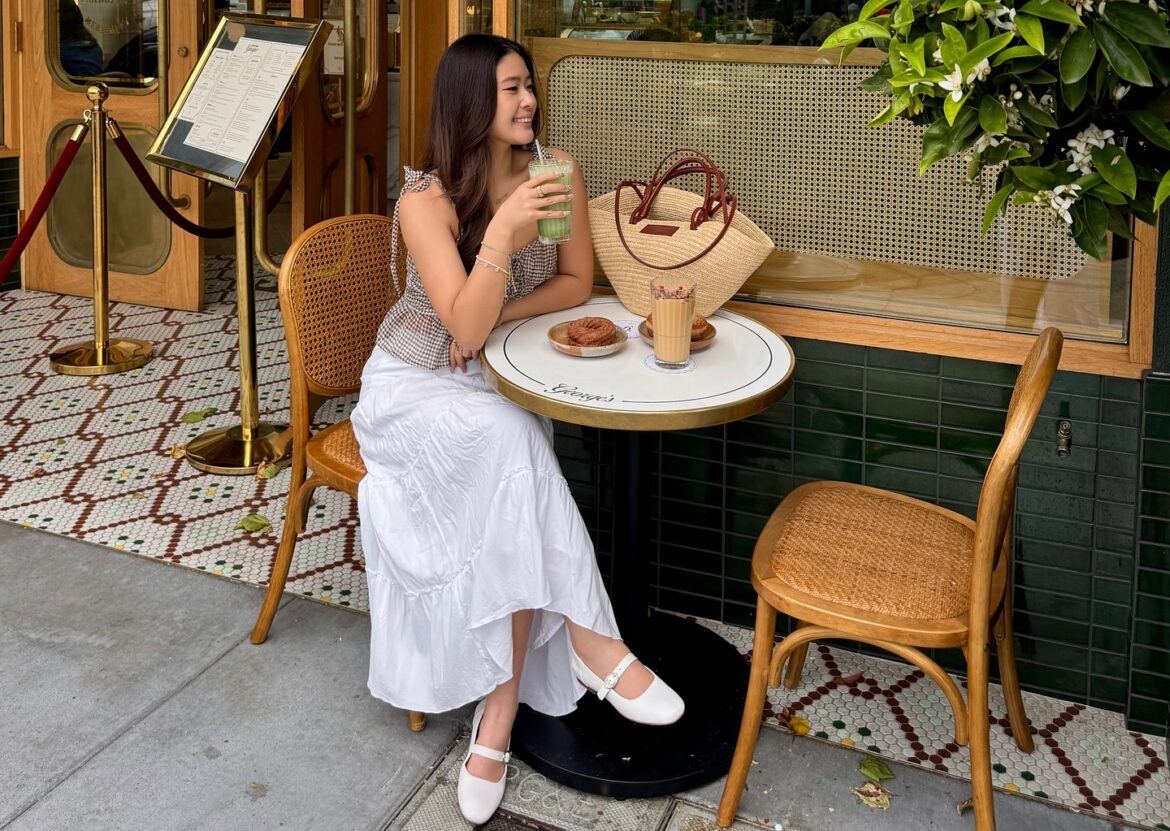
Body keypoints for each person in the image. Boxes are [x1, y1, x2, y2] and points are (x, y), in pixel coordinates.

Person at [350, 33, 684, 825]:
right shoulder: (425, 201)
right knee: (518, 446)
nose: (529, 99)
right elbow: (455, 329)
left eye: (529, 84)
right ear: (471, 101)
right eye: (510, 88)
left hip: (492, 375)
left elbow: (575, 281)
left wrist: (498, 319)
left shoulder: (555, 171)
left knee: (515, 462)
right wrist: (499, 234)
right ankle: (595, 646)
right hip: (412, 387)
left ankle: (496, 721)